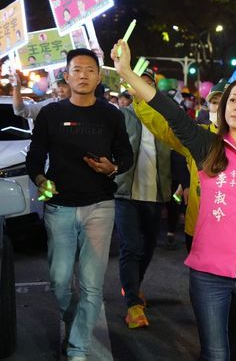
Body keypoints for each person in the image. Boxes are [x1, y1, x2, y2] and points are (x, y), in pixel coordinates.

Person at [112, 40, 236, 361]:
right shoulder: (206, 144)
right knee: (216, 354)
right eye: (233, 100)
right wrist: (125, 71)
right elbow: (170, 111)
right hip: (209, 275)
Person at [25, 48, 133, 361]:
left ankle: (78, 348)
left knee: (91, 283)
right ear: (67, 76)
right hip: (59, 207)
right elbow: (35, 156)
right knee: (59, 279)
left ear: (99, 77)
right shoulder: (50, 114)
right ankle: (76, 322)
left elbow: (125, 156)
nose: (83, 75)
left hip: (100, 206)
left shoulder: (111, 114)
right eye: (76, 69)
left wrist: (111, 168)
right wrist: (41, 180)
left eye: (89, 70)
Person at [114, 68, 172, 329]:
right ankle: (133, 305)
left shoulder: (165, 118)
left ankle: (134, 287)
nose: (143, 86)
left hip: (155, 194)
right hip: (125, 193)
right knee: (131, 246)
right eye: (139, 82)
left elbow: (178, 151)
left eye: (148, 83)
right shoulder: (121, 116)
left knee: (148, 246)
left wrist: (180, 184)